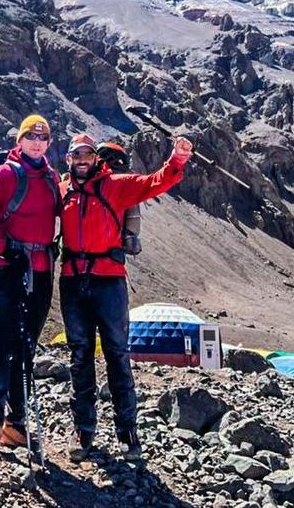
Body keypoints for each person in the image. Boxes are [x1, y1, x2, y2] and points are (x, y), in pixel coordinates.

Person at [59, 133, 192, 461]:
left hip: (109, 282)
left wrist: (177, 160)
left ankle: (128, 434)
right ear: (68, 159)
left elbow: (152, 184)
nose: (81, 159)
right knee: (80, 358)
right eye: (76, 154)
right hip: (73, 282)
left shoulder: (115, 185)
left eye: (87, 154)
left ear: (95, 158)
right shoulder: (61, 191)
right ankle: (83, 432)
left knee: (117, 356)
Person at [0, 115, 60, 448]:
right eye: (31, 137)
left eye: (43, 138)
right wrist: (4, 249)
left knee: (26, 346)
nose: (37, 143)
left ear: (49, 143)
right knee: (2, 341)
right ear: (20, 140)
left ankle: (16, 422)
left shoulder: (51, 178)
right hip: (9, 269)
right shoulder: (5, 174)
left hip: (41, 272)